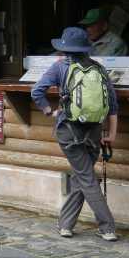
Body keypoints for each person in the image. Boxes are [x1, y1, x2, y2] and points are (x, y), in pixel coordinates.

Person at [31, 26, 119, 241]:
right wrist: (113, 134)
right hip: (94, 131)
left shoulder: (60, 67)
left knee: (86, 178)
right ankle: (66, 224)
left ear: (65, 48)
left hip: (69, 131)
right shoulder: (99, 69)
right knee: (84, 176)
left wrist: (49, 111)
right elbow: (114, 106)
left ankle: (108, 227)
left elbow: (37, 91)